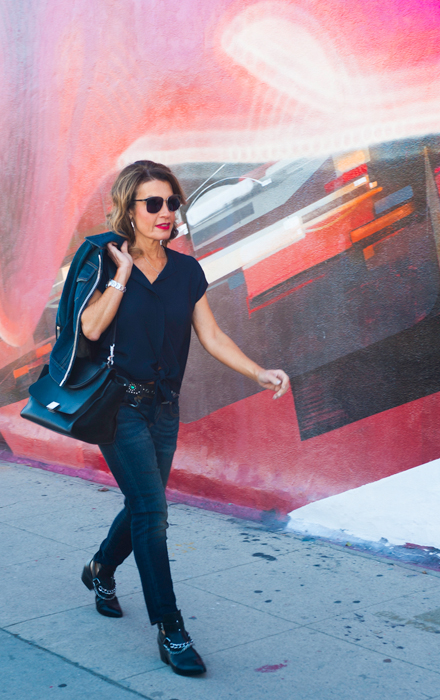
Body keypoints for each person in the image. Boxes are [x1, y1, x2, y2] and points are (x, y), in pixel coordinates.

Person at [75, 161, 289, 676]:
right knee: (152, 509)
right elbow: (89, 327)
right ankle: (171, 628)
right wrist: (122, 276)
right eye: (154, 204)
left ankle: (101, 567)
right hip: (115, 404)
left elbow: (210, 336)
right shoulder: (103, 259)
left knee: (145, 505)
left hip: (163, 407)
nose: (166, 212)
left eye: (173, 202)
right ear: (129, 209)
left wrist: (258, 371)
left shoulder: (188, 271)